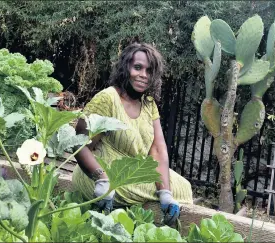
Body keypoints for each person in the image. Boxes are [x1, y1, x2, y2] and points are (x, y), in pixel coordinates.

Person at [72, 42, 193, 225]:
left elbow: (158, 150)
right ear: (125, 67)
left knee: (183, 187)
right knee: (178, 192)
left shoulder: (148, 103)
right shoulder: (108, 98)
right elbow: (79, 143)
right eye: (138, 67)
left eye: (149, 71)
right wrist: (101, 178)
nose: (143, 75)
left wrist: (165, 193)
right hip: (103, 175)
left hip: (133, 172)